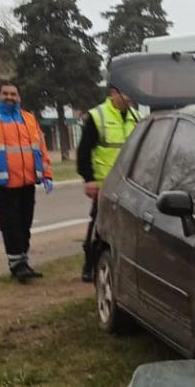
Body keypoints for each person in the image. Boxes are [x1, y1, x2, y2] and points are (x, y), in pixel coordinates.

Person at [0, 83, 53, 283]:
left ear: (19, 97)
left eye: (13, 94)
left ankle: (23, 261)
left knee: (25, 224)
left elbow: (41, 148)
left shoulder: (28, 118)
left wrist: (47, 174)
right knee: (11, 225)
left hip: (27, 181)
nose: (10, 97)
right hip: (3, 183)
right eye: (6, 93)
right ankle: (17, 265)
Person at [77, 85, 139, 282]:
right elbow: (83, 152)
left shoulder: (136, 117)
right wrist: (89, 180)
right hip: (105, 186)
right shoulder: (97, 116)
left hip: (130, 185)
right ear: (113, 93)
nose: (130, 98)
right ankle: (90, 267)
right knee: (98, 226)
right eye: (126, 93)